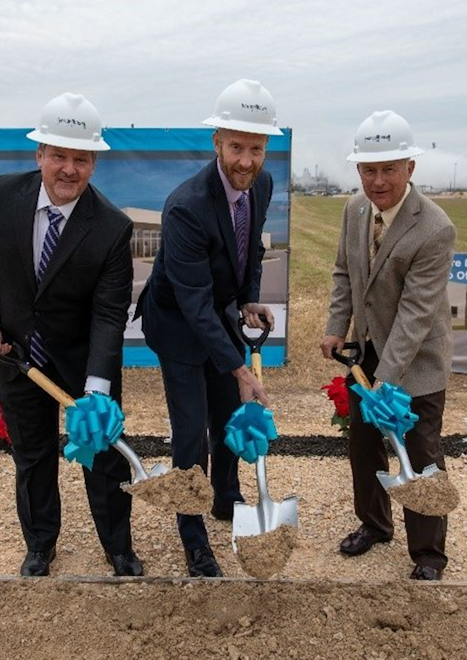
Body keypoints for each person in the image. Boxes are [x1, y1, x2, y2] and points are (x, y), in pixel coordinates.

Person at [0, 92, 143, 578]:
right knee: (33, 454)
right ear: (39, 154)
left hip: (84, 360)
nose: (68, 168)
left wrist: (97, 390)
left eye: (80, 158)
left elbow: (109, 313)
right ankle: (40, 544)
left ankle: (118, 548)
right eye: (58, 155)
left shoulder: (111, 227)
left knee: (102, 457)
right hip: (14, 354)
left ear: (94, 163)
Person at [135, 79, 282, 577]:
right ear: (217, 141)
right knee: (191, 433)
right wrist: (241, 367)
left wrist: (247, 299)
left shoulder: (261, 183)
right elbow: (194, 305)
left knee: (227, 419)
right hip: (178, 324)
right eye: (236, 147)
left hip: (217, 313)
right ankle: (194, 539)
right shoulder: (186, 207)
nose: (246, 160)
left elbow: (251, 250)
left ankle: (227, 497)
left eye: (256, 148)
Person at [320, 110, 456, 581]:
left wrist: (386, 381)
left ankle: (428, 553)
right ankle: (374, 525)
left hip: (415, 360)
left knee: (419, 452)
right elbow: (343, 271)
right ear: (358, 170)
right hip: (366, 350)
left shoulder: (434, 228)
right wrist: (338, 326)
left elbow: (417, 315)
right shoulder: (354, 209)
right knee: (363, 443)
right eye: (368, 170)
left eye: (388, 169)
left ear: (410, 168)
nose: (377, 181)